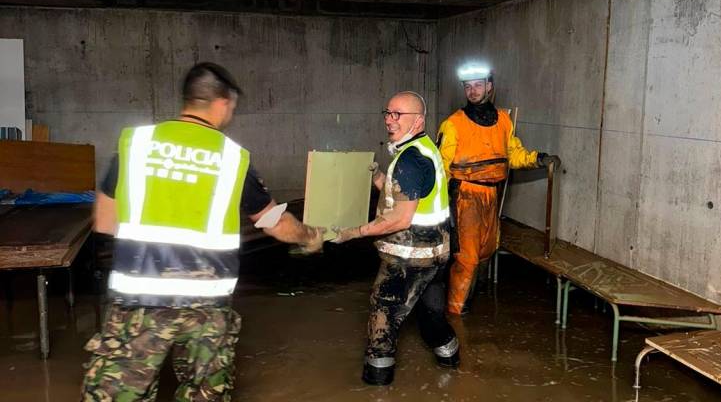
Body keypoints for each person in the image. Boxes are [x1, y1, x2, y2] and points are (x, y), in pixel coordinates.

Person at [81, 62, 325, 401]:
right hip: (205, 306)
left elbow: (105, 223)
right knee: (204, 394)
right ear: (222, 102)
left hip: (137, 299)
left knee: (115, 394)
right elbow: (274, 222)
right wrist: (310, 236)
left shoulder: (136, 143)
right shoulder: (231, 157)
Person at [332, 91, 459, 385]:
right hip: (437, 254)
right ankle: (451, 362)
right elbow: (409, 196)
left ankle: (377, 380)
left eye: (398, 115)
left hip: (411, 256)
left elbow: (400, 218)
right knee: (430, 318)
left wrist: (353, 232)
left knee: (383, 313)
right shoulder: (424, 148)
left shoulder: (410, 160)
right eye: (388, 113)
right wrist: (378, 177)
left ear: (419, 120)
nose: (390, 121)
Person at [438, 63, 560, 315]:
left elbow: (512, 154)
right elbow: (441, 167)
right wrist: (444, 206)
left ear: (489, 87)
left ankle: (466, 305)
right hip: (464, 196)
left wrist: (538, 158)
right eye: (468, 86)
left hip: (490, 195)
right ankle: (455, 314)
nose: (472, 91)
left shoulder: (503, 121)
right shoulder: (453, 124)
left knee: (486, 251)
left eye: (478, 85)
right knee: (467, 257)